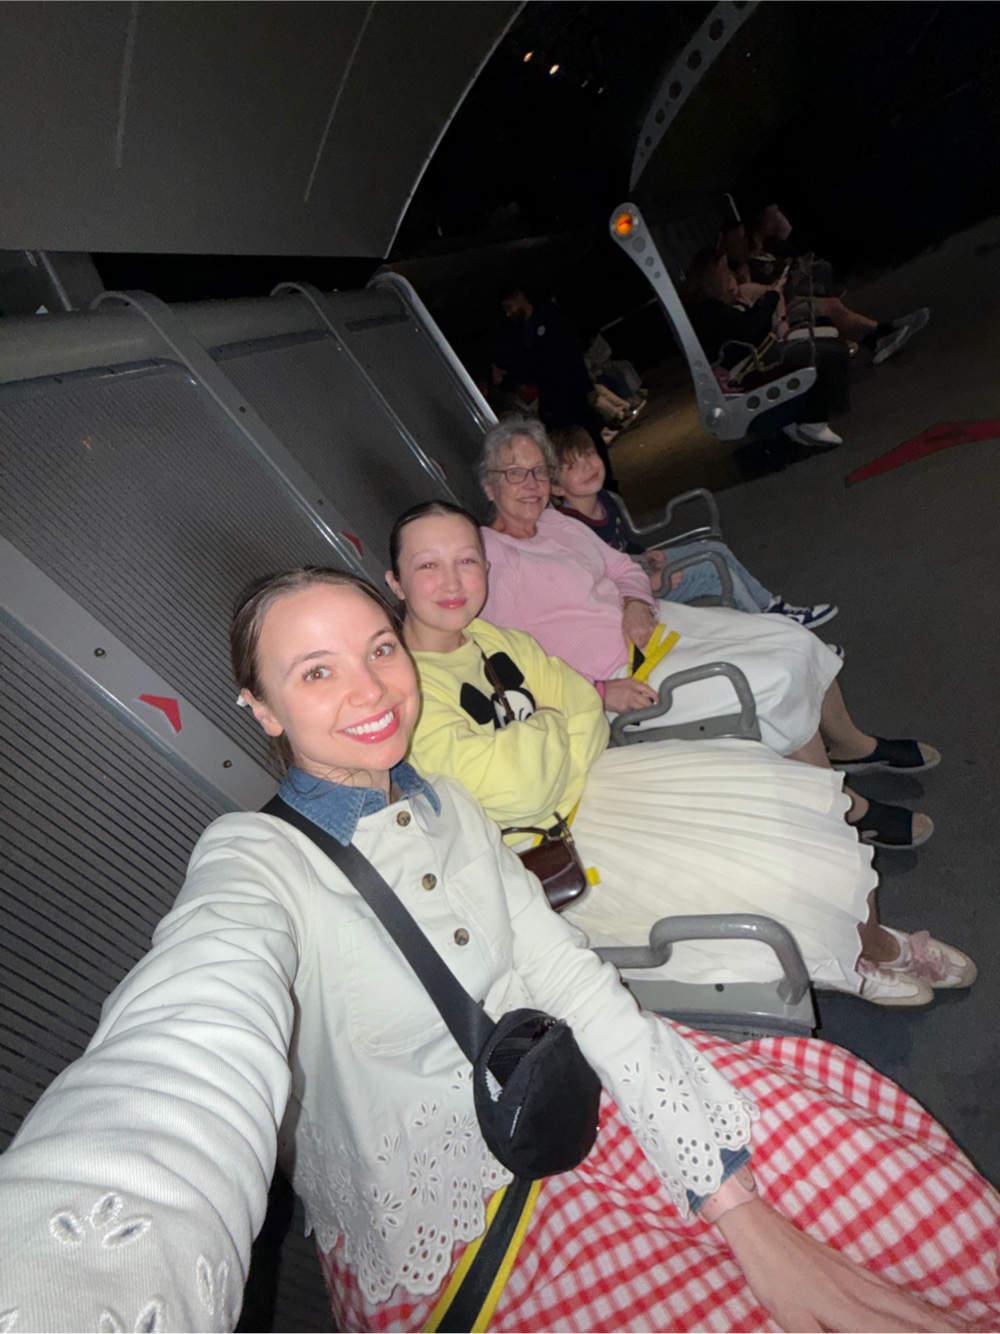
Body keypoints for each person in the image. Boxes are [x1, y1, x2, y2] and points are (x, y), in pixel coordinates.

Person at [1, 567, 997, 1334]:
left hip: (569, 1082)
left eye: (378, 649)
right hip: (448, 1227)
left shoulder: (447, 801)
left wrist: (735, 1203)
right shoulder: (254, 859)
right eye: (316, 671)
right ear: (260, 709)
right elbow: (181, 1044)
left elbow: (563, 970)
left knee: (883, 1180)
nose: (369, 689)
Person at [387, 499, 974, 1005]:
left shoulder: (490, 638)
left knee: (780, 798)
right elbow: (523, 789)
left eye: (467, 561)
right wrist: (553, 724)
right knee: (749, 865)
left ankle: (868, 940)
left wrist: (550, 738)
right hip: (549, 843)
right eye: (429, 565)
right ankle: (855, 957)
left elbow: (584, 708)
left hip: (594, 780)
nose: (453, 582)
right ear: (396, 582)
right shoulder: (406, 691)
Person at [478, 416, 939, 854]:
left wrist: (636, 602)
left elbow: (622, 568)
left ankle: (850, 744)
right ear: (488, 485)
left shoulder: (555, 522)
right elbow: (508, 669)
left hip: (653, 625)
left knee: (790, 637)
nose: (532, 484)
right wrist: (598, 691)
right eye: (515, 473)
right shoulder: (488, 562)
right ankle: (847, 811)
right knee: (773, 679)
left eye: (539, 471)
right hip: (620, 675)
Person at [549, 423, 838, 628]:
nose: (588, 466)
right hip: (633, 594)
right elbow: (597, 586)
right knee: (711, 569)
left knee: (712, 548)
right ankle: (778, 636)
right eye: (572, 466)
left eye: (589, 455)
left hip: (637, 568)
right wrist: (650, 582)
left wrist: (645, 553)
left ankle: (770, 607)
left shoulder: (604, 499)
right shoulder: (571, 531)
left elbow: (623, 544)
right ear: (556, 487)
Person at [686, 245, 851, 450]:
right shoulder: (708, 311)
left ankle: (809, 416)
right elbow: (748, 331)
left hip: (757, 353)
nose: (729, 276)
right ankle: (812, 420)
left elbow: (747, 327)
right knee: (825, 353)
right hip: (749, 363)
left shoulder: (714, 306)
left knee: (829, 346)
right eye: (724, 271)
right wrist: (770, 298)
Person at [741, 204, 930, 365]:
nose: (777, 219)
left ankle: (881, 335)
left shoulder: (770, 245)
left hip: (789, 296)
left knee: (825, 283)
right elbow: (763, 290)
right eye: (772, 216)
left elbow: (788, 238)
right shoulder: (748, 259)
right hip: (779, 307)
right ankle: (884, 332)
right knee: (832, 305)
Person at [493, 281, 618, 487]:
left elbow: (571, 354)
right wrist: (506, 378)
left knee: (588, 437)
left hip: (571, 389)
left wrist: (587, 387)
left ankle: (608, 483)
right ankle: (585, 483)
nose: (509, 313)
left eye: (509, 306)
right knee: (566, 444)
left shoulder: (549, 316)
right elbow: (529, 368)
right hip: (552, 398)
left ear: (519, 298)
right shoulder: (521, 331)